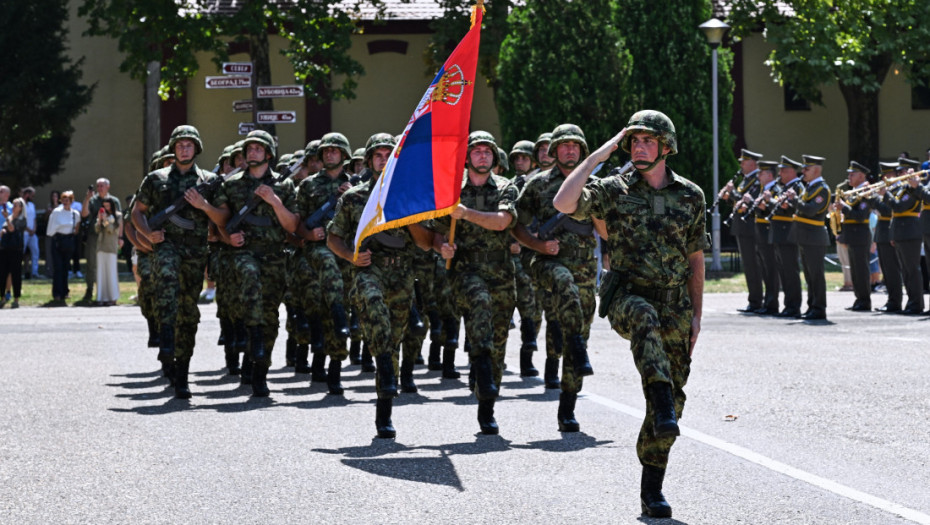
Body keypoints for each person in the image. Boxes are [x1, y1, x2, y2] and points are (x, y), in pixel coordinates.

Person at [554, 110, 705, 519]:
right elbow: (564, 202)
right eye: (633, 141)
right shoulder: (613, 189)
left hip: (674, 302)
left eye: (647, 141)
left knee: (674, 401)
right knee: (644, 318)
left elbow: (695, 257)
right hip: (628, 296)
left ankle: (652, 489)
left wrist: (696, 315)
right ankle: (659, 397)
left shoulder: (690, 195)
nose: (639, 148)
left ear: (666, 147)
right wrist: (597, 156)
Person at [327, 132, 433, 438]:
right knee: (373, 307)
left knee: (393, 339)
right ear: (369, 161)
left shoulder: (412, 197)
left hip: (401, 275)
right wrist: (350, 255)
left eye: (389, 155)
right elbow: (333, 237)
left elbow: (426, 244)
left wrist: (407, 211)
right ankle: (384, 364)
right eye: (378, 156)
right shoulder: (355, 197)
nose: (384, 160)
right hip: (368, 270)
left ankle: (384, 413)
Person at [430, 131, 519, 435]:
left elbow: (503, 221)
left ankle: (487, 406)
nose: (482, 156)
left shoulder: (507, 188)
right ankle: (479, 362)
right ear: (466, 158)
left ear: (494, 157)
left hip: (502, 273)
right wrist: (442, 246)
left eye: (487, 152)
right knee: (479, 304)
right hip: (466, 271)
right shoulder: (452, 191)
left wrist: (466, 214)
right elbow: (438, 232)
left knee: (499, 342)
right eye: (476, 151)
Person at [132, 125, 227, 399]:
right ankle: (166, 342)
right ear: (173, 148)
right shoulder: (156, 179)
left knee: (188, 312)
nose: (184, 149)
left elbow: (223, 218)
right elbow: (138, 212)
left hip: (195, 253)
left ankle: (182, 372)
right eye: (179, 144)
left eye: (189, 145)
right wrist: (147, 233)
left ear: (196, 149)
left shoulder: (208, 180)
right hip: (166, 248)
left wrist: (203, 206)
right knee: (167, 292)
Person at [513, 123, 596, 433]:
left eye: (575, 146)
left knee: (580, 330)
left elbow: (608, 228)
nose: (570, 150)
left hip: (585, 267)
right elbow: (515, 224)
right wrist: (537, 245)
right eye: (564, 146)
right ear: (554, 150)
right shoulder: (537, 185)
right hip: (547, 262)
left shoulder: (594, 184)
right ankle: (573, 343)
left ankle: (567, 407)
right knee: (564, 284)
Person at [213, 129, 299, 397]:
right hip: (244, 254)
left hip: (274, 255)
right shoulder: (232, 184)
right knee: (250, 288)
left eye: (258, 149)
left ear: (268, 154)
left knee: (270, 316)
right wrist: (229, 237)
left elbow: (293, 225)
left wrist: (274, 201)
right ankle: (254, 340)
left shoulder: (283, 187)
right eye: (249, 149)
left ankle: (259, 369)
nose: (252, 153)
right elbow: (220, 223)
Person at [786, 155, 831, 320]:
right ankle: (812, 305)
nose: (803, 171)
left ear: (817, 170)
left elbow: (811, 210)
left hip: (814, 236)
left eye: (807, 169)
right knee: (809, 275)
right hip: (805, 235)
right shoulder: (809, 187)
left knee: (816, 275)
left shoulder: (822, 189)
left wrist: (794, 200)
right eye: (803, 168)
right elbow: (801, 208)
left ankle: (819, 308)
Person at [720, 149, 763, 313]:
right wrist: (728, 196)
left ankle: (757, 301)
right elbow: (739, 202)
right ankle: (754, 299)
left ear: (752, 163)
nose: (741, 165)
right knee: (748, 265)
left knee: (753, 265)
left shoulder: (757, 181)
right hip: (742, 227)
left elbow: (749, 202)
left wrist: (733, 193)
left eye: (744, 162)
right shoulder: (746, 180)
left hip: (750, 227)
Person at [832, 161, 874, 311]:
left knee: (861, 270)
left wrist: (844, 208)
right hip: (851, 234)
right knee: (855, 270)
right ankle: (859, 298)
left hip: (860, 234)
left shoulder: (867, 192)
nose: (849, 177)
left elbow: (861, 215)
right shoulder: (853, 192)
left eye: (852, 174)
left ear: (862, 176)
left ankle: (865, 300)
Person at [887, 157, 924, 314]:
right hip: (901, 231)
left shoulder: (913, 190)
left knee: (912, 270)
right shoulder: (902, 189)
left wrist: (885, 194)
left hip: (910, 232)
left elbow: (899, 207)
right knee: (905, 270)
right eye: (898, 171)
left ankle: (916, 304)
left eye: (902, 171)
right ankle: (911, 301)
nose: (899, 174)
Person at [870, 162, 904, 313]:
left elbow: (887, 211)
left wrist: (875, 198)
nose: (885, 178)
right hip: (882, 232)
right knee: (886, 270)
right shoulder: (887, 190)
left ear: (894, 175)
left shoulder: (897, 190)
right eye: (883, 176)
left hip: (890, 231)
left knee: (892, 269)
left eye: (888, 175)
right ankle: (891, 299)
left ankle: (895, 301)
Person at [750, 160, 780, 314]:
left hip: (769, 231)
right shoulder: (763, 189)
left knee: (771, 269)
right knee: (764, 268)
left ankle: (772, 303)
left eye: (761, 173)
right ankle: (767, 302)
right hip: (760, 231)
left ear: (769, 174)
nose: (758, 175)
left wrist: (766, 205)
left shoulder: (775, 189)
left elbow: (778, 210)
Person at [47, 191, 81, 302]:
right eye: (64, 200)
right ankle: (57, 293)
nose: (66, 202)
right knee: (58, 268)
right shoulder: (56, 212)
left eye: (68, 200)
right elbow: (50, 229)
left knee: (66, 268)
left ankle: (65, 291)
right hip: (57, 241)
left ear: (72, 201)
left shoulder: (75, 213)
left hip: (69, 241)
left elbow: (77, 228)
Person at [94, 197, 122, 305]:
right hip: (100, 247)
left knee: (111, 273)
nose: (106, 208)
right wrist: (99, 220)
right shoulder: (102, 215)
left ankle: (113, 298)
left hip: (111, 247)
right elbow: (96, 229)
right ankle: (102, 298)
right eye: (104, 206)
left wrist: (105, 220)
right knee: (101, 273)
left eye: (108, 206)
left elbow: (111, 229)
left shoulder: (118, 215)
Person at [0, 198, 27, 308]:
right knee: (2, 273)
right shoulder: (9, 218)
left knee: (15, 274)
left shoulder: (22, 219)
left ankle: (16, 299)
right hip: (4, 249)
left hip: (16, 250)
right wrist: (2, 232)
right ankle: (2, 297)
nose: (14, 207)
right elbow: (5, 231)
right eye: (13, 205)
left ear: (21, 208)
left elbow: (12, 229)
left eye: (16, 205)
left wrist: (6, 217)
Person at [20, 187, 39, 280]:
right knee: (20, 253)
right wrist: (28, 230)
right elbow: (20, 220)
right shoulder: (20, 204)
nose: (33, 197)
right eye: (32, 195)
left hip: (32, 233)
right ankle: (18, 272)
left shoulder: (31, 205)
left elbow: (34, 219)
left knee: (35, 252)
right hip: (23, 233)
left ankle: (35, 272)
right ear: (27, 194)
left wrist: (34, 229)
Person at [44, 190, 61, 278]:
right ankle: (49, 272)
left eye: (56, 196)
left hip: (59, 234)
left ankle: (58, 271)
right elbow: (45, 218)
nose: (54, 198)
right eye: (53, 196)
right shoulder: (49, 207)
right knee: (49, 253)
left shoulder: (62, 207)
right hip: (50, 233)